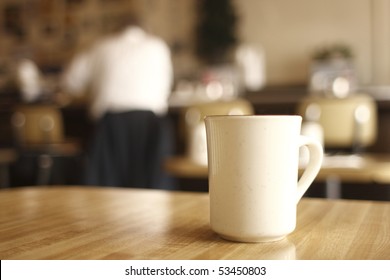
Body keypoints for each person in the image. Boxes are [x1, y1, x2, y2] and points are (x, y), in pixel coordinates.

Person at [62, 19, 175, 189]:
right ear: (145, 30)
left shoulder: (101, 46)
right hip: (150, 125)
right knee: (152, 187)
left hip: (111, 124)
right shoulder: (158, 46)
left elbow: (69, 82)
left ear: (115, 30)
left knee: (107, 189)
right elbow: (166, 88)